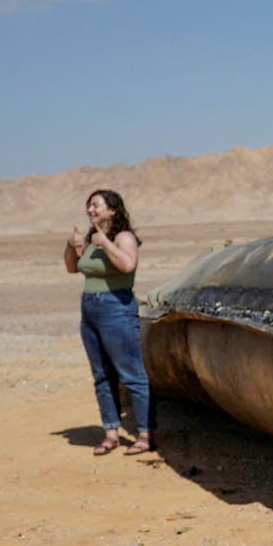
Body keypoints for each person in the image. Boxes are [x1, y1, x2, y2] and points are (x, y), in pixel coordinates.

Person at [64, 189, 155, 455]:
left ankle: (145, 434)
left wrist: (105, 243)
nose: (90, 210)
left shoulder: (123, 237)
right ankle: (111, 433)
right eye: (88, 206)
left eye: (96, 205)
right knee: (102, 374)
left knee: (131, 374)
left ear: (112, 210)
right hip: (90, 308)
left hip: (117, 307)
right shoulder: (93, 239)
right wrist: (72, 245)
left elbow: (128, 265)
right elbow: (73, 268)